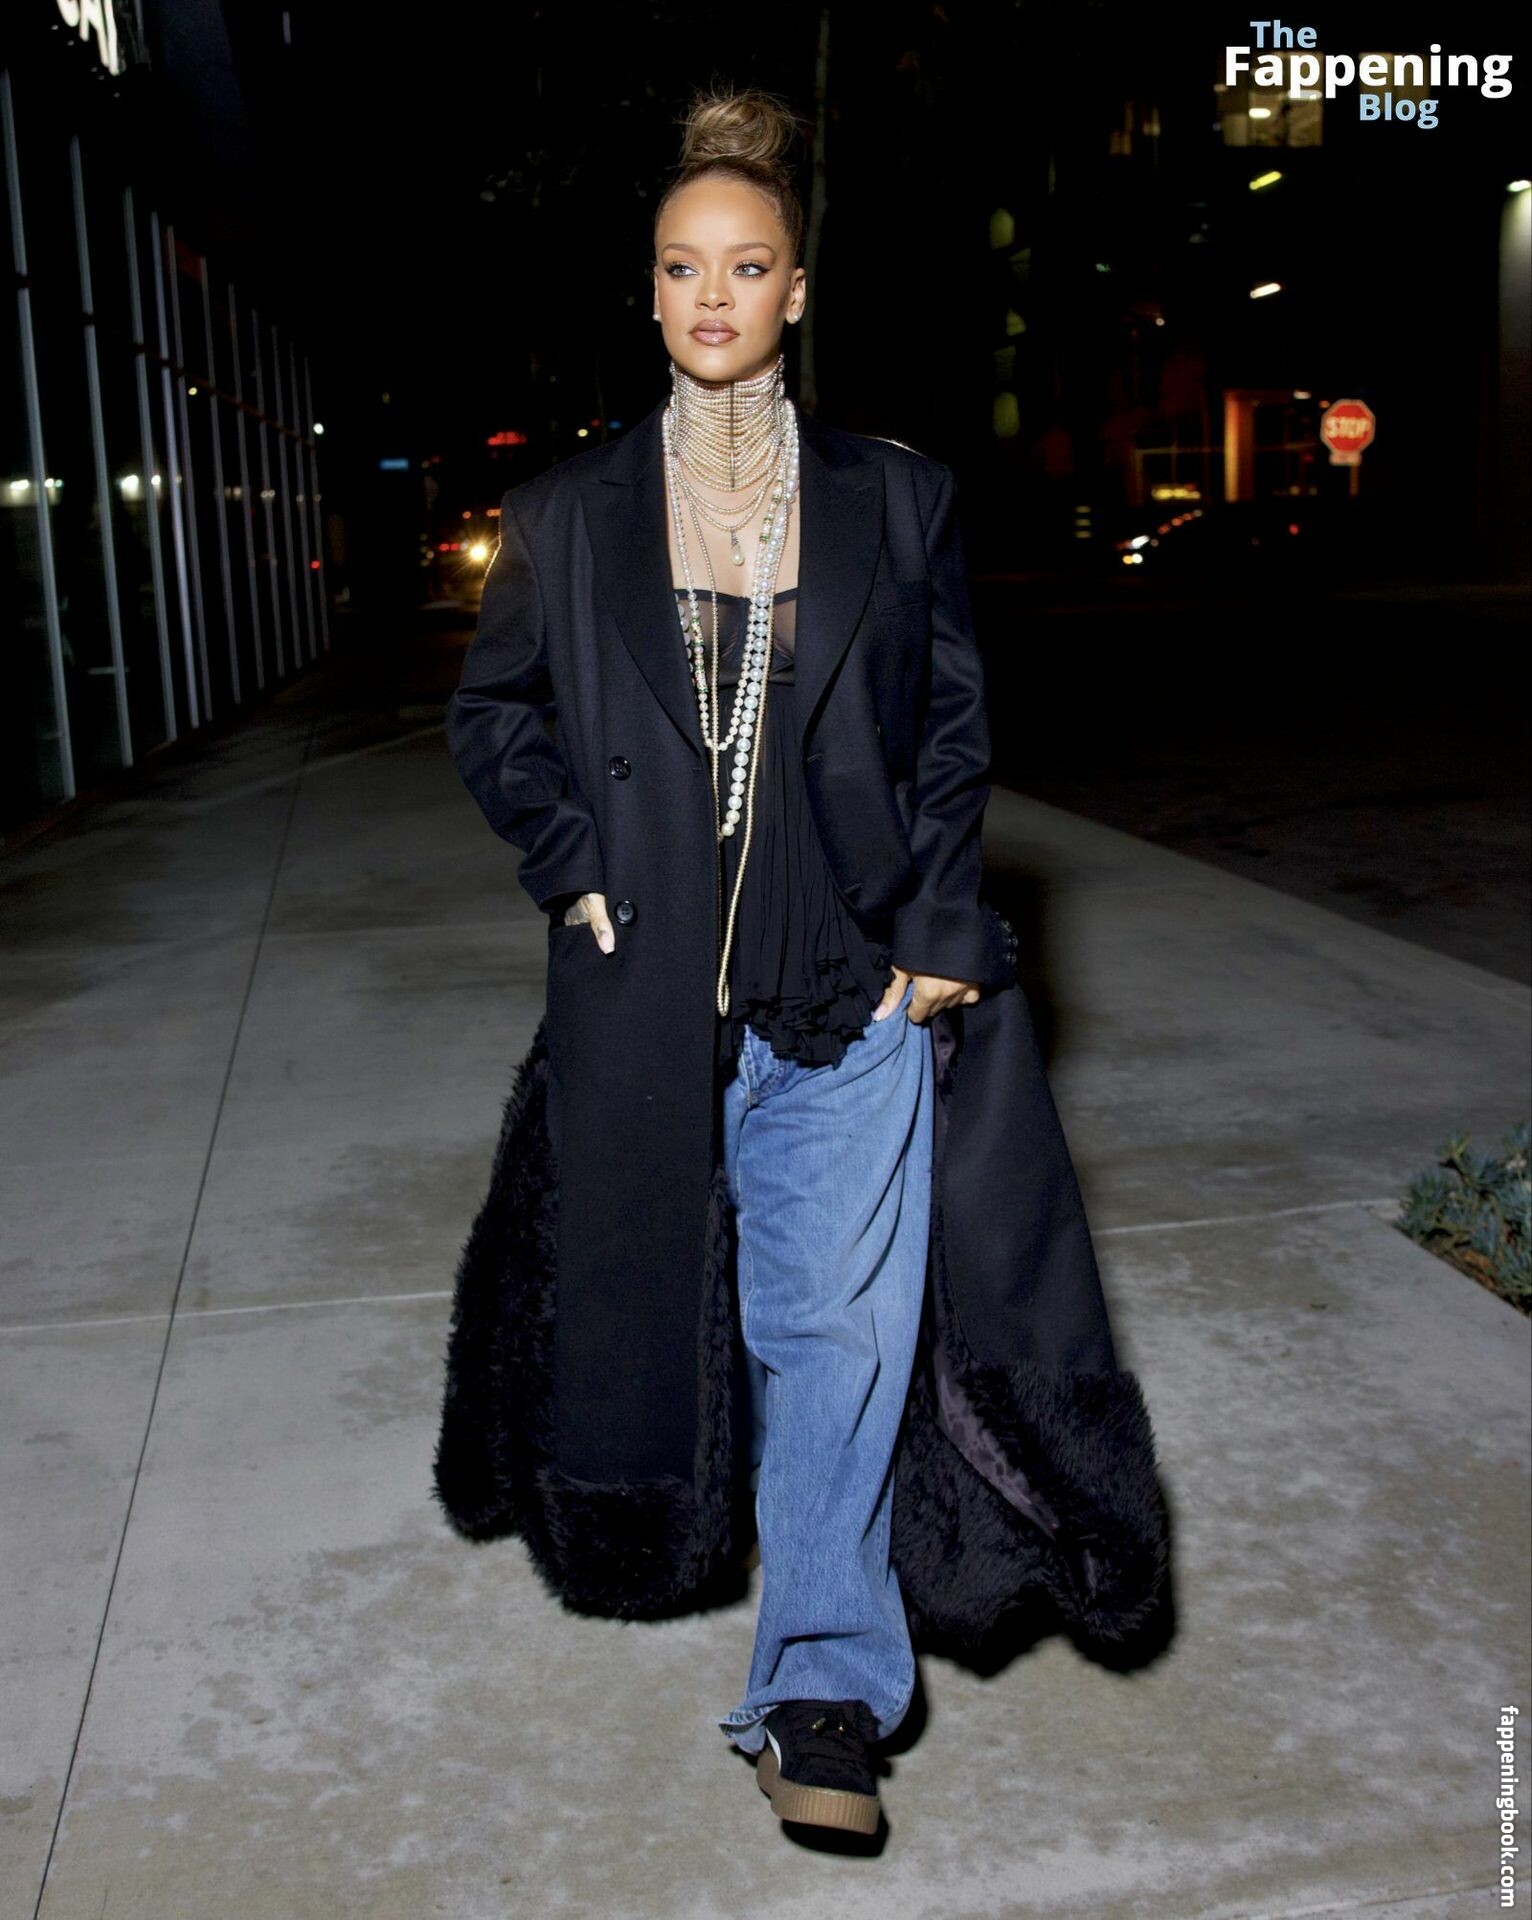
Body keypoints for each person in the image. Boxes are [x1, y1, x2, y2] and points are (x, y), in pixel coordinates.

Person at [449, 85, 1008, 1839]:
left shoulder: (895, 500)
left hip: (844, 986)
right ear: (651, 289)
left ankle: (820, 1694)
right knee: (660, 1325)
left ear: (796, 290)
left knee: (832, 1329)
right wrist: (567, 862)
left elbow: (951, 736)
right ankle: (666, 1526)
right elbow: (493, 715)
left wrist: (940, 929)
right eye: (683, 266)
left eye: (747, 265)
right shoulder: (567, 516)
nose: (713, 295)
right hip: (649, 998)